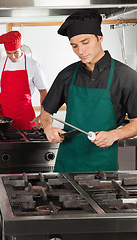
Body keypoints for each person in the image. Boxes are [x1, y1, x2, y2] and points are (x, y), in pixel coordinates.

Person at [41, 9, 137, 173]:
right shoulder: (67, 74)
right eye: (74, 46)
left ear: (100, 38)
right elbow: (45, 113)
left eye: (85, 42)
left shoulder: (127, 76)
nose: (80, 51)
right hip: (67, 166)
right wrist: (48, 128)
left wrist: (114, 135)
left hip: (103, 167)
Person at [0, 31, 48, 129]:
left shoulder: (34, 64)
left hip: (26, 118)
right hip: (4, 119)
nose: (13, 57)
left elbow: (43, 91)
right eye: (8, 53)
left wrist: (43, 115)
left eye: (16, 52)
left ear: (21, 47)